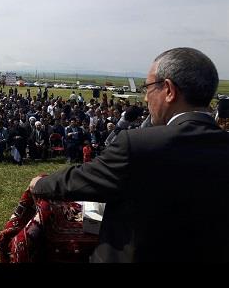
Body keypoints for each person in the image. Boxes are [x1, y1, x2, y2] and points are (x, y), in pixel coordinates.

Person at [29, 47, 229, 262]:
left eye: (148, 87)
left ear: (169, 90)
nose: (145, 98)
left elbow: (79, 180)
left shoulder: (138, 145)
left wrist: (39, 183)